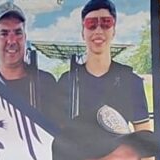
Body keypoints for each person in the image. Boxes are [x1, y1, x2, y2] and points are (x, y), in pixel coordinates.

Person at [57, 0, 150, 128]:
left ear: (114, 30)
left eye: (106, 23)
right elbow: (58, 133)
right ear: (83, 32)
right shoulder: (66, 81)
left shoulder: (131, 81)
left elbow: (143, 135)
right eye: (91, 24)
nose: (98, 31)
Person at [0, 2, 61, 122]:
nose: (12, 41)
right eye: (4, 34)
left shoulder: (47, 83)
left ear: (25, 37)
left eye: (18, 33)